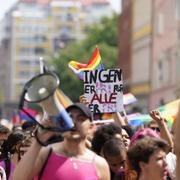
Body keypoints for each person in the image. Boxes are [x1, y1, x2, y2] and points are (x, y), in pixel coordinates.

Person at [12, 103, 110, 180]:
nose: (74, 122)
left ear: (91, 127)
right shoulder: (45, 154)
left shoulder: (100, 164)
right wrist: (38, 141)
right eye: (69, 117)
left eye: (81, 119)